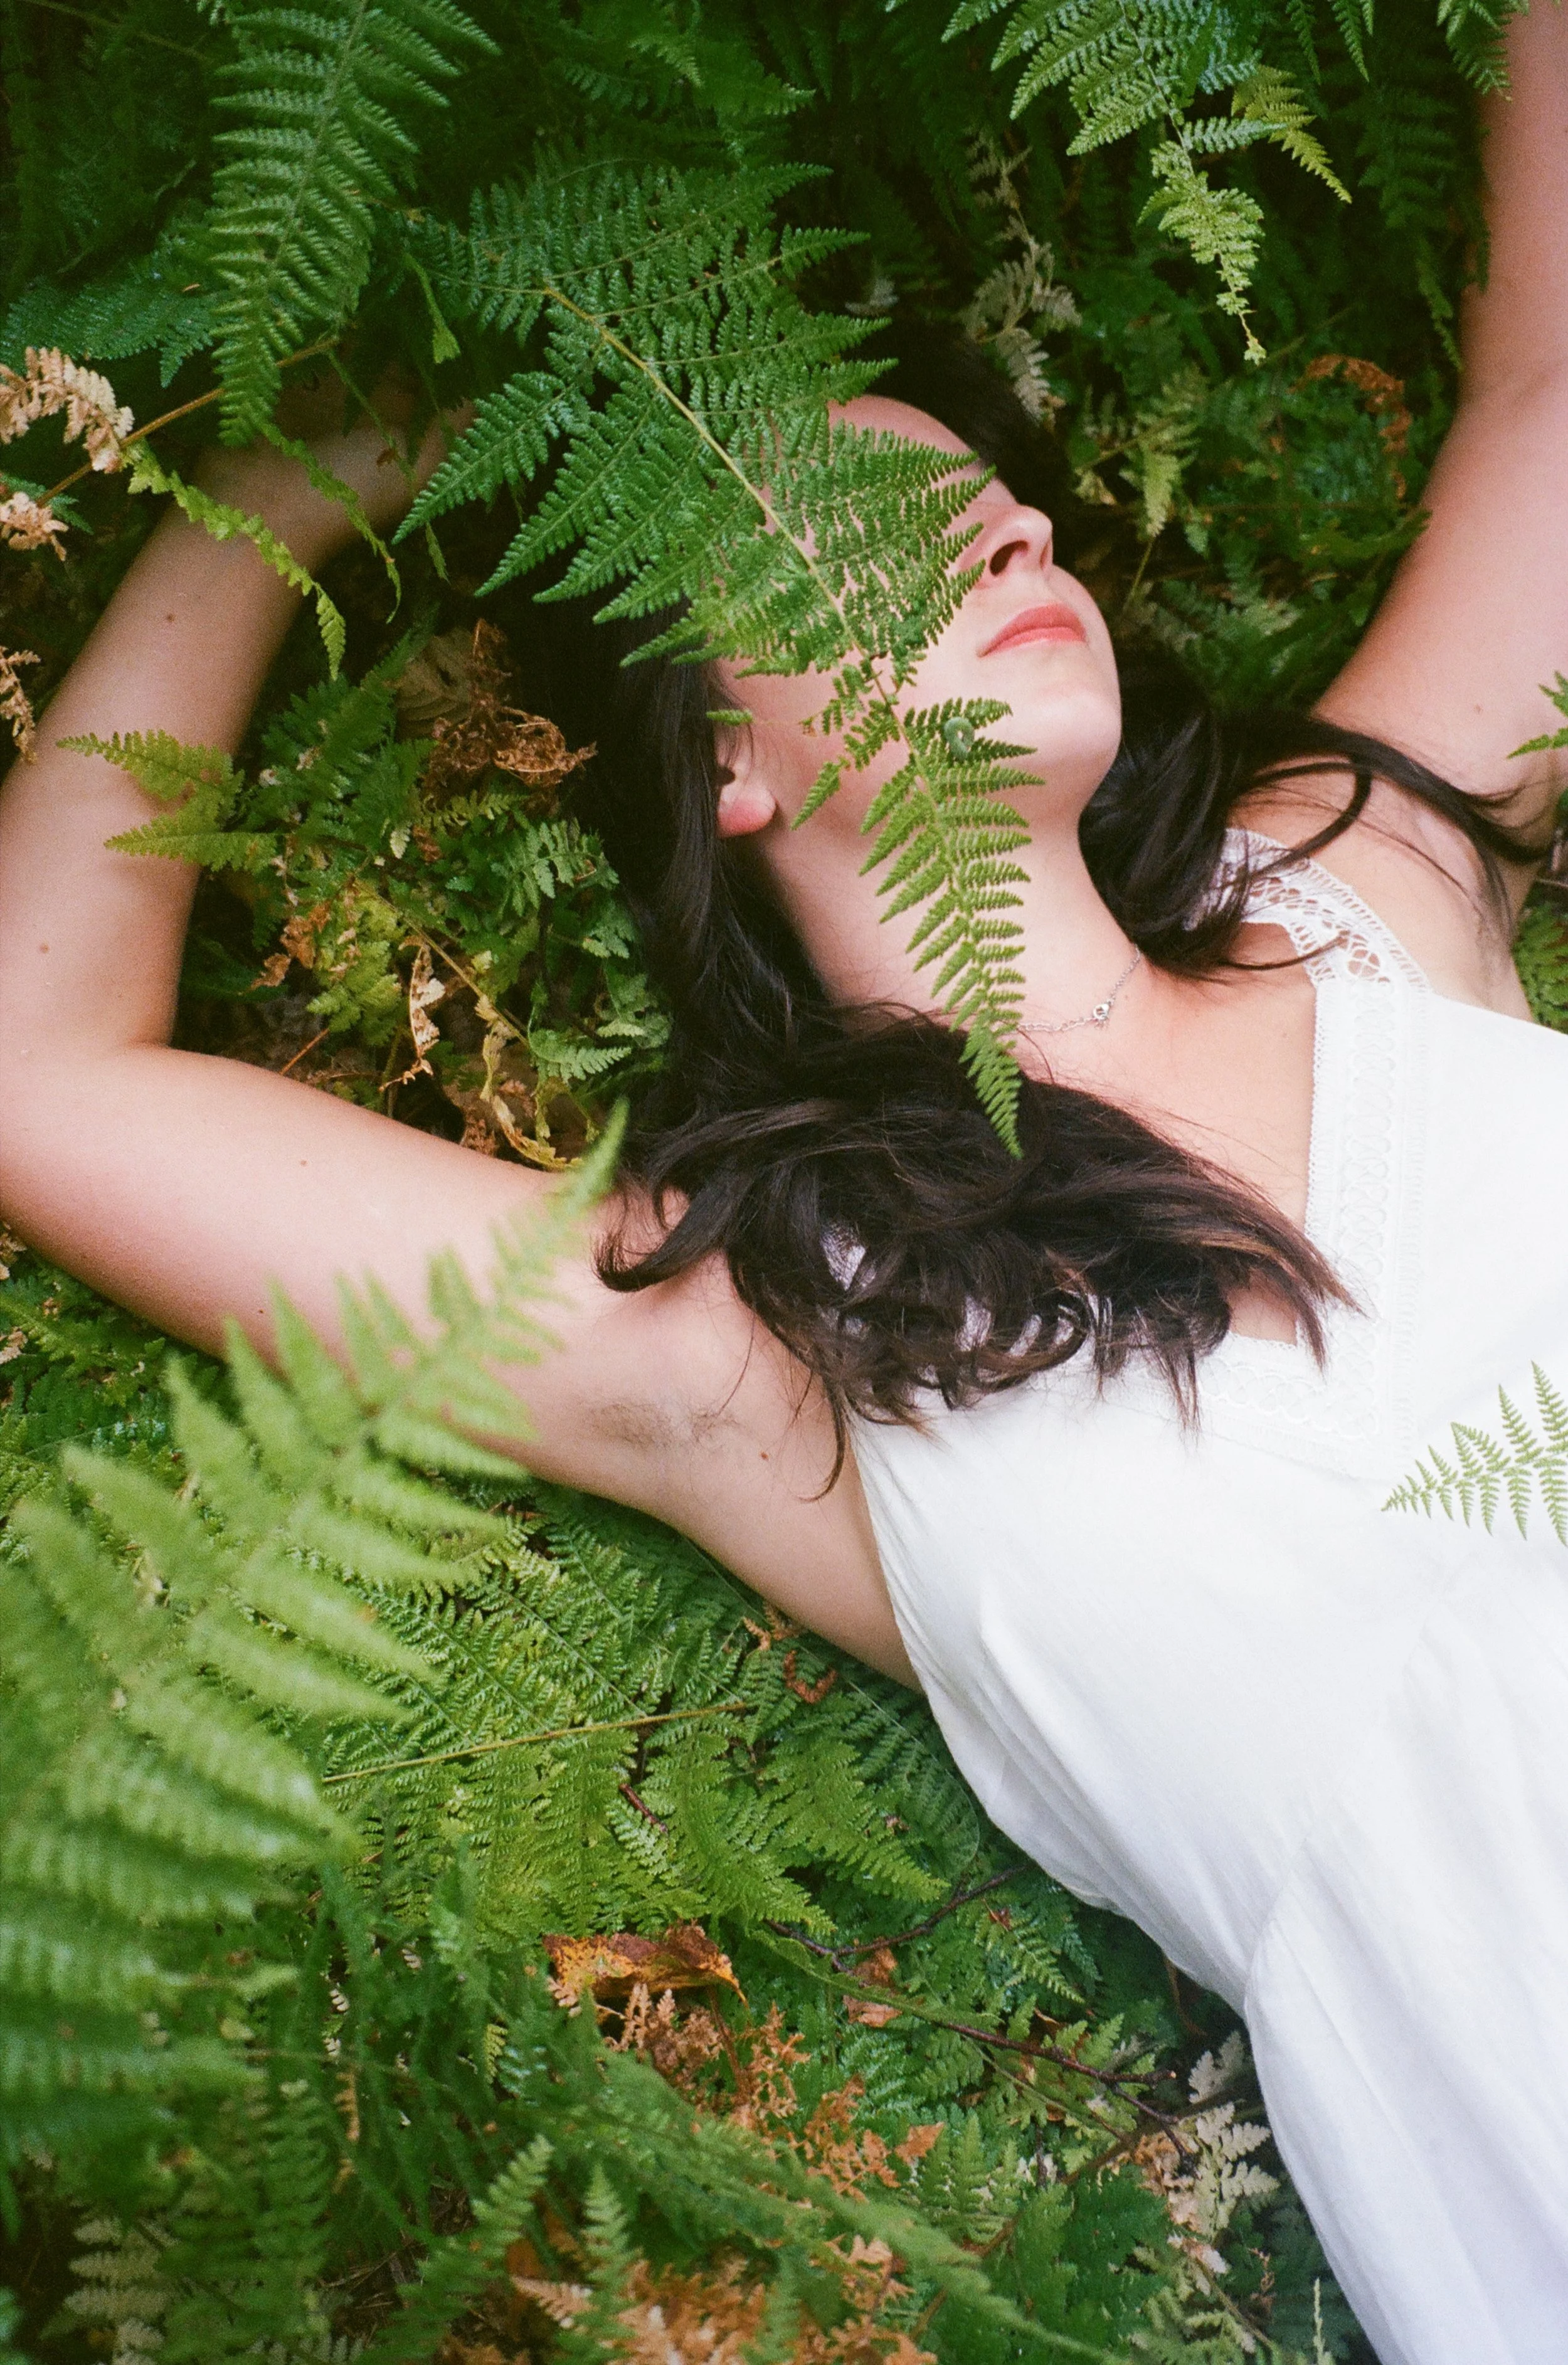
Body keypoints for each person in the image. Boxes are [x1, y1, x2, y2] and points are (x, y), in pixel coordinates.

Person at [3, 9, 1567, 2355]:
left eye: (1004, 499)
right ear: (723, 752)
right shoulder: (760, 1336)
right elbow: (39, 1074)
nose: (1010, 527)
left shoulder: (1366, 896)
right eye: (879, 529)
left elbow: (1552, 414)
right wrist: (304, 468)